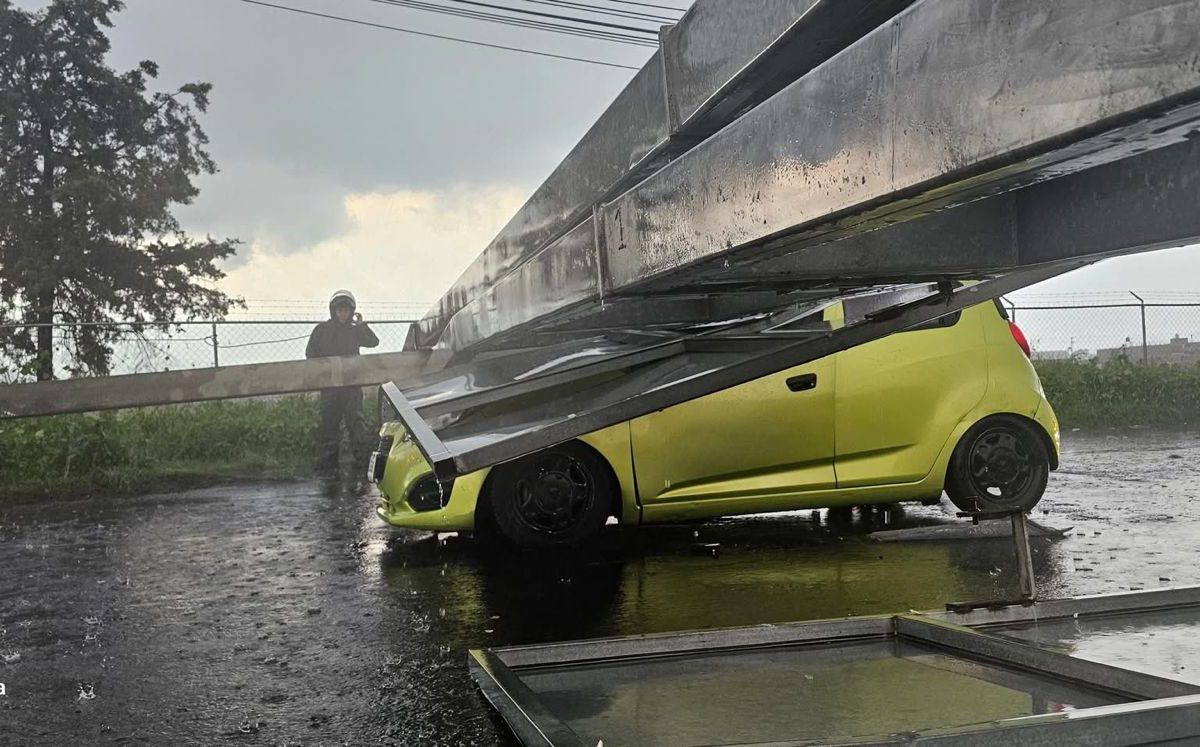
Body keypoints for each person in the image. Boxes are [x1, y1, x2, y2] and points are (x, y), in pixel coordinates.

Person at [306, 289, 380, 476]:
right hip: (330, 388)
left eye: (346, 310)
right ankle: (329, 464)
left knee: (356, 422)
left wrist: (362, 325)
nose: (343, 313)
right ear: (333, 310)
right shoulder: (321, 330)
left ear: (352, 311)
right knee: (329, 424)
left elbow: (373, 342)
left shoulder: (355, 331)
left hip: (352, 387)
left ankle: (362, 464)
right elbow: (310, 354)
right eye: (339, 310)